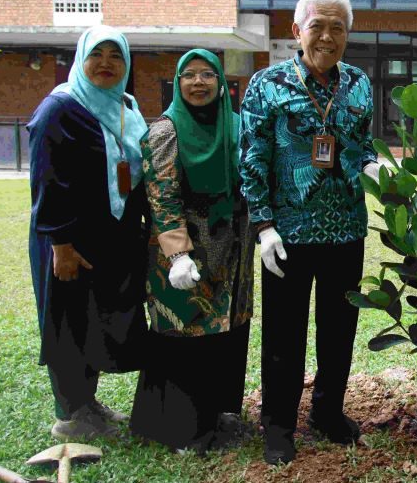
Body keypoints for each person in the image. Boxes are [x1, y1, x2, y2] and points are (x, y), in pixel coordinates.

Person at [239, 0, 380, 465]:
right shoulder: (267, 84)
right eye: (317, 25)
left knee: (339, 330)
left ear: (348, 34)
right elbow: (252, 156)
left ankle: (327, 412)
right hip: (287, 235)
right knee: (284, 333)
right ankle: (278, 425)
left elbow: (361, 145)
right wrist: (263, 225)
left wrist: (374, 166)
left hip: (346, 230)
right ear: (297, 31)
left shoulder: (359, 83)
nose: (327, 36)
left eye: (337, 27)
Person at [27, 25, 149, 440]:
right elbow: (47, 180)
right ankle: (70, 416)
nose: (106, 64)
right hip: (69, 240)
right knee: (67, 319)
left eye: (116, 56)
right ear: (81, 59)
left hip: (109, 238)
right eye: (97, 55)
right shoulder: (59, 109)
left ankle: (87, 403)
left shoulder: (123, 106)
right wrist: (61, 244)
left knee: (93, 319)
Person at [130, 49, 254, 453]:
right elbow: (161, 196)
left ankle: (217, 415)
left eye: (207, 75)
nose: (198, 83)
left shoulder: (236, 126)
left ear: (221, 83)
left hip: (232, 253)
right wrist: (177, 253)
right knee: (184, 335)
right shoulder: (166, 131)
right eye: (189, 75)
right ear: (177, 83)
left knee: (225, 334)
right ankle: (182, 428)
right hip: (186, 254)